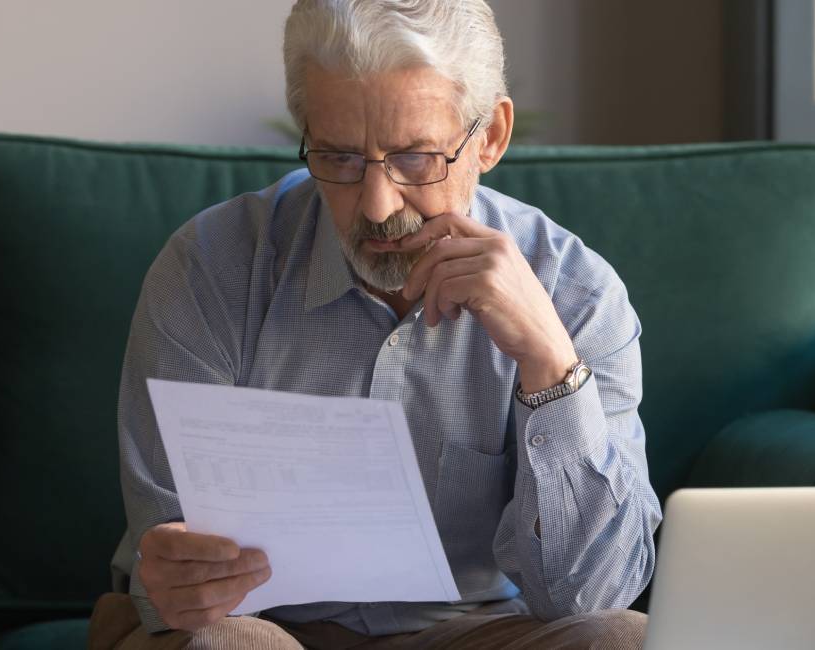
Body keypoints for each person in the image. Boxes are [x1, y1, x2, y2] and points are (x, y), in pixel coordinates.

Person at [89, 1, 661, 648]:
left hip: (469, 632)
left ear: (491, 138)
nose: (377, 204)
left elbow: (589, 596)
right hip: (267, 628)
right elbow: (172, 576)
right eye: (339, 158)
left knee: (625, 639)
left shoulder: (579, 296)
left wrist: (550, 365)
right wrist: (177, 579)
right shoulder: (210, 271)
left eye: (416, 158)